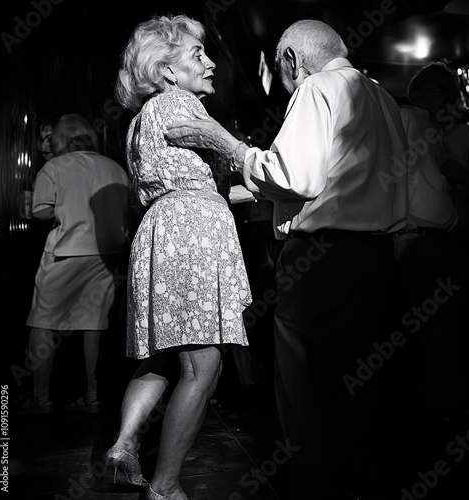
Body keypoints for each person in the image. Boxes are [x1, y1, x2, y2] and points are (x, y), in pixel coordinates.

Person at [166, 18, 408, 500]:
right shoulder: (380, 94)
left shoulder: (317, 87)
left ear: (293, 61)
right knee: (355, 385)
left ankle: (314, 488)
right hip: (376, 256)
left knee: (306, 389)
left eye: (279, 73)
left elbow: (295, 175)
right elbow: (338, 181)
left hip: (325, 260)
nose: (282, 87)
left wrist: (227, 144)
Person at [104, 14, 251, 500]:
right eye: (197, 56)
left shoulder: (139, 121)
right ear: (167, 71)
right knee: (203, 367)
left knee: (164, 360)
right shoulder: (179, 102)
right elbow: (215, 155)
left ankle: (125, 444)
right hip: (191, 233)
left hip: (162, 229)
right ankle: (165, 488)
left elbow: (186, 177)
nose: (210, 64)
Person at [16, 113, 134, 415]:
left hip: (65, 252)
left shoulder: (54, 167)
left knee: (43, 322)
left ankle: (41, 399)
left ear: (59, 140)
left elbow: (40, 212)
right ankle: (93, 396)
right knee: (93, 324)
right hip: (106, 255)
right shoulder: (115, 167)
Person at [396, 62, 469, 423]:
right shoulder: (412, 119)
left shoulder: (432, 126)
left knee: (442, 327)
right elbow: (449, 174)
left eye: (453, 93)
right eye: (445, 92)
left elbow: (450, 172)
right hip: (425, 242)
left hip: (437, 241)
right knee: (441, 327)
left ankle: (438, 397)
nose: (452, 99)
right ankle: (443, 402)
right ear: (424, 94)